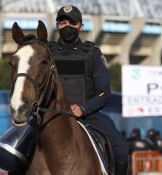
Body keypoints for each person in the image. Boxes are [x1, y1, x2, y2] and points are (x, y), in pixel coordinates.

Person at [50, 4, 129, 174]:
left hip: (88, 115)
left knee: (121, 150)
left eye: (72, 22)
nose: (67, 26)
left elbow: (104, 92)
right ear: (57, 26)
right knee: (15, 149)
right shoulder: (47, 54)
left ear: (80, 26)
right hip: (52, 115)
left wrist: (83, 109)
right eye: (62, 22)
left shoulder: (92, 53)